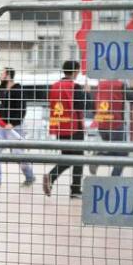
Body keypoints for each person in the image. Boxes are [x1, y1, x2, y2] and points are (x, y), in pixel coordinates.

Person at [43, 60, 93, 198]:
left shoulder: (54, 86)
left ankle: (52, 177)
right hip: (74, 128)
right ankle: (75, 190)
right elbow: (84, 106)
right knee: (78, 159)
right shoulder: (74, 87)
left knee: (68, 157)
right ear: (76, 71)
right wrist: (87, 93)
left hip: (60, 127)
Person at [90, 79, 133, 176]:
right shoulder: (120, 85)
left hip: (102, 124)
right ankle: (111, 175)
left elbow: (94, 106)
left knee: (115, 151)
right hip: (115, 125)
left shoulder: (100, 85)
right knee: (122, 154)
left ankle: (99, 158)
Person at [0, 67, 34, 187]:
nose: (1, 74)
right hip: (1, 126)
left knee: (18, 153)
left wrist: (13, 123)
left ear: (9, 75)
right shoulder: (0, 89)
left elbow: (22, 109)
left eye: (3, 73)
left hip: (15, 127)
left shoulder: (18, 89)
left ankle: (29, 176)